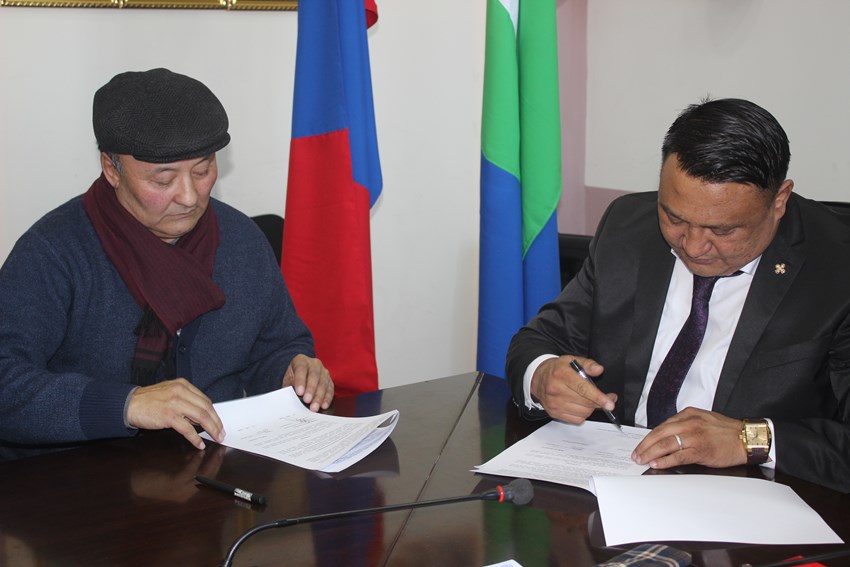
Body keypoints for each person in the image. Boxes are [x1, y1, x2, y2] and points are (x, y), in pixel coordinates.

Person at [506, 98, 850, 493]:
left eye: (722, 230)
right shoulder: (627, 226)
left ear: (779, 201)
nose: (693, 246)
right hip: (614, 479)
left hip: (752, 496)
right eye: (674, 217)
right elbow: (538, 341)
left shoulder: (836, 269)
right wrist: (543, 375)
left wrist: (749, 439)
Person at [0, 68, 334, 453]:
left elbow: (276, 345)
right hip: (77, 476)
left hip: (210, 467)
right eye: (163, 180)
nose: (189, 197)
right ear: (111, 169)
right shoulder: (55, 252)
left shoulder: (241, 240)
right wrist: (125, 405)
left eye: (202, 170)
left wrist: (292, 371)